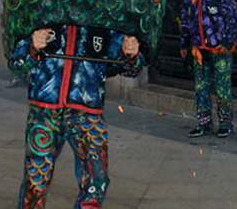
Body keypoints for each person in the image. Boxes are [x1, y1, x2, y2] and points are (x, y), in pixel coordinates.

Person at [9, 24, 144, 208]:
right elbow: (16, 64)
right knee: (35, 183)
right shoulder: (41, 15)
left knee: (97, 180)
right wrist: (32, 46)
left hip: (88, 113)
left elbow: (131, 69)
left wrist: (131, 53)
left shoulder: (104, 19)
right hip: (44, 112)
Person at [179, 0, 237, 138]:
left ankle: (225, 124)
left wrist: (227, 43)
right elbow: (185, 20)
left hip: (219, 49)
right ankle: (204, 124)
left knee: (222, 88)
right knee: (200, 88)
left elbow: (232, 16)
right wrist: (184, 43)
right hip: (199, 50)